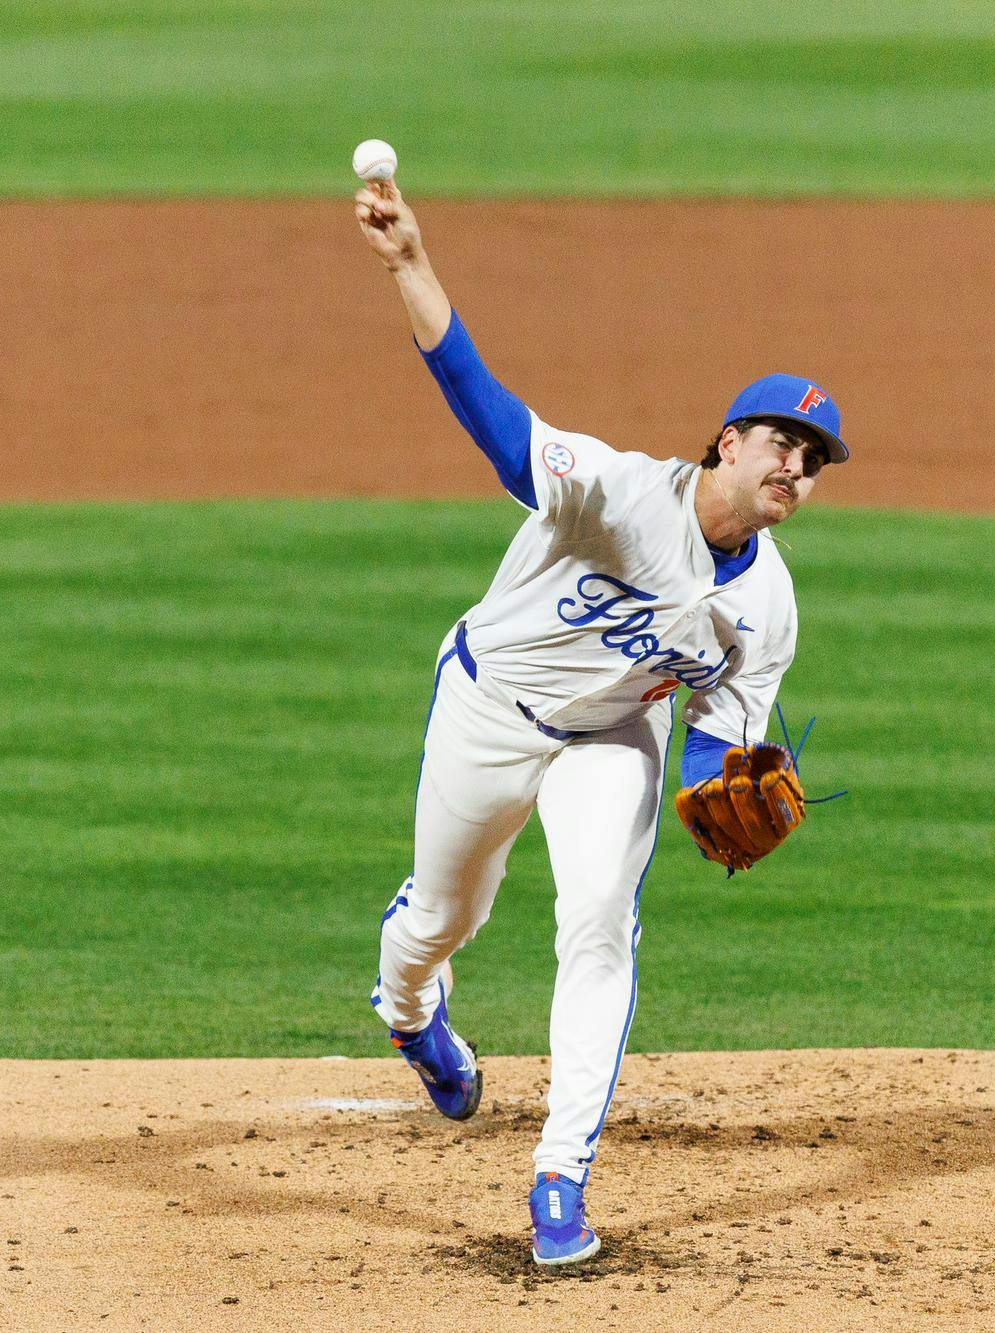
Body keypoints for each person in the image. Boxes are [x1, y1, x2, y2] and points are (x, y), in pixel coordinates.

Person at [354, 177, 846, 1268]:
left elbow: (718, 741)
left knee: (599, 923)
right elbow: (488, 411)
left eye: (811, 464)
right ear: (725, 441)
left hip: (610, 742)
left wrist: (724, 790)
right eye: (781, 444)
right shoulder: (615, 492)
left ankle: (558, 1177)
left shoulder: (765, 605)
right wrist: (409, 266)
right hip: (487, 707)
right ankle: (408, 1013)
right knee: (439, 916)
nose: (795, 470)